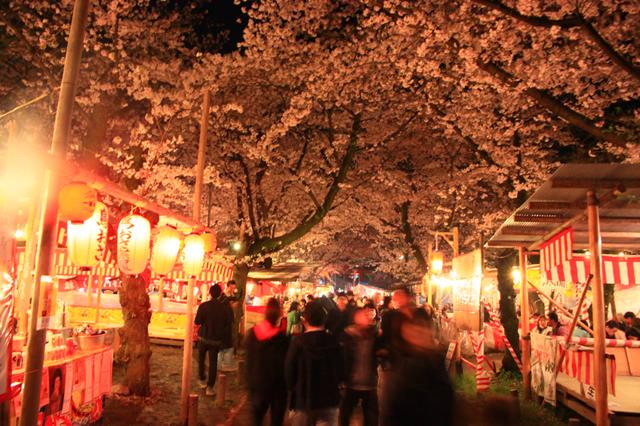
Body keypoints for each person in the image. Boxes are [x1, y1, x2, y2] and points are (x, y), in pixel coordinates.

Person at [285, 300, 343, 426]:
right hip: (329, 400)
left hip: (303, 399)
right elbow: (341, 370)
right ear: (324, 320)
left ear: (305, 320)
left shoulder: (298, 342)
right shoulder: (334, 341)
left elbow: (289, 371)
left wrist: (293, 389)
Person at [245, 298, 289, 426]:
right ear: (279, 315)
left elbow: (249, 361)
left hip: (257, 385)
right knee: (276, 421)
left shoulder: (252, 334)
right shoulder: (283, 339)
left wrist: (249, 384)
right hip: (278, 389)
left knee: (257, 420)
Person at [340, 306, 379, 426]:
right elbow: (342, 357)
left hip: (370, 382)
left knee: (371, 418)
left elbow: (380, 351)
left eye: (366, 315)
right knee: (345, 415)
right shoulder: (348, 334)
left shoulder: (375, 334)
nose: (365, 317)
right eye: (361, 315)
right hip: (351, 382)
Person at [194, 284, 234, 396]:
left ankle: (202, 379)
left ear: (210, 293)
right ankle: (210, 387)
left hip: (203, 337)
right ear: (220, 294)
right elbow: (227, 323)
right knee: (213, 363)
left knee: (201, 359)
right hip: (216, 339)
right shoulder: (224, 308)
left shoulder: (204, 306)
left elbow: (197, 321)